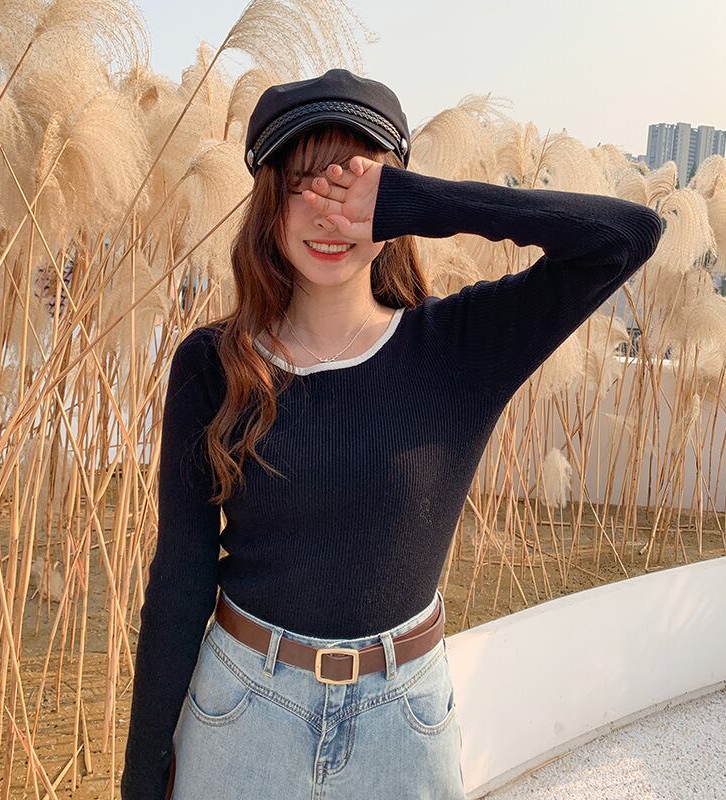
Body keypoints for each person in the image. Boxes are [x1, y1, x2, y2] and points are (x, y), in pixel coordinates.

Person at [120, 68, 663, 800]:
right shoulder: (214, 364)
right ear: (268, 203)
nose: (329, 213)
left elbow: (626, 235)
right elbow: (181, 579)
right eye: (302, 185)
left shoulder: (460, 347)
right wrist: (141, 775)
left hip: (401, 722)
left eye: (353, 185)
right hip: (243, 708)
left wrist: (416, 202)